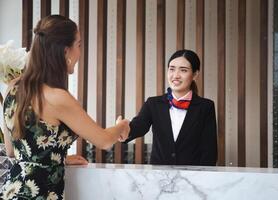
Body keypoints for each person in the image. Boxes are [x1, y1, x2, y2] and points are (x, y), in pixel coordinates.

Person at [0, 15, 129, 200]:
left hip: (10, 191)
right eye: (79, 45)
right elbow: (103, 140)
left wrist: (56, 158)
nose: (79, 52)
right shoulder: (57, 98)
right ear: (66, 51)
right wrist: (122, 126)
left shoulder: (12, 87)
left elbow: (12, 150)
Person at [125, 49, 217, 166]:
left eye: (183, 70)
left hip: (192, 179)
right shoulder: (153, 104)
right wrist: (123, 130)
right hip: (159, 177)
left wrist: (202, 180)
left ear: (195, 74)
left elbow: (209, 151)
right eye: (172, 69)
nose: (176, 75)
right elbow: (138, 127)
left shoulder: (206, 107)